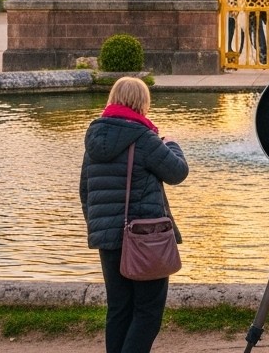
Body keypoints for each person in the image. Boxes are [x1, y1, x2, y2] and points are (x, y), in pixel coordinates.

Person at [80, 77, 189, 353]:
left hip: (107, 239)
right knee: (148, 311)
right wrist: (172, 145)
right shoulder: (144, 137)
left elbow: (85, 190)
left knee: (118, 309)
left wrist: (99, 227)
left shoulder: (94, 137)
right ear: (142, 103)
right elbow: (177, 172)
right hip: (144, 238)